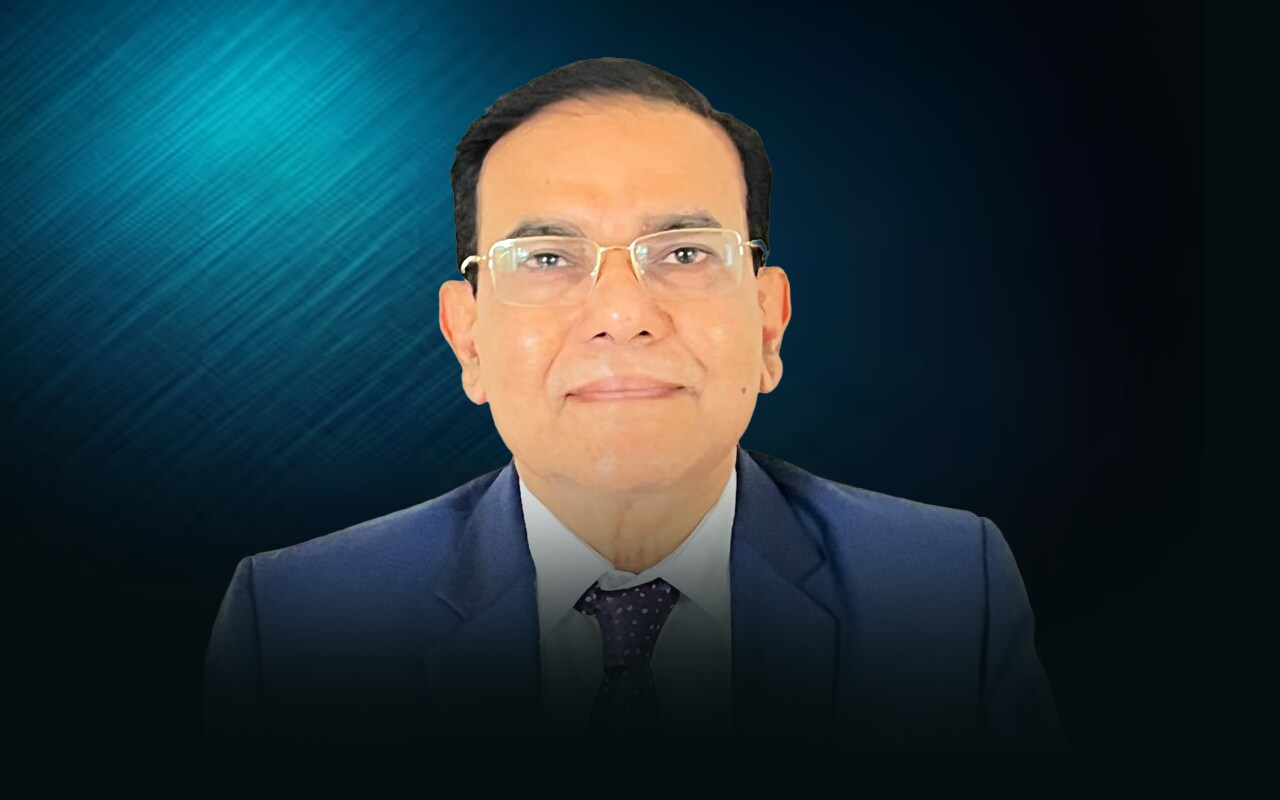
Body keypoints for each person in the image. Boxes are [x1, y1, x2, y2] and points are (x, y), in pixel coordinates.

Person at [204, 57, 1066, 752]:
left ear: (769, 323)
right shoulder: (301, 626)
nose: (622, 315)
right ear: (468, 340)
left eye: (685, 252)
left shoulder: (945, 593)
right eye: (547, 259)